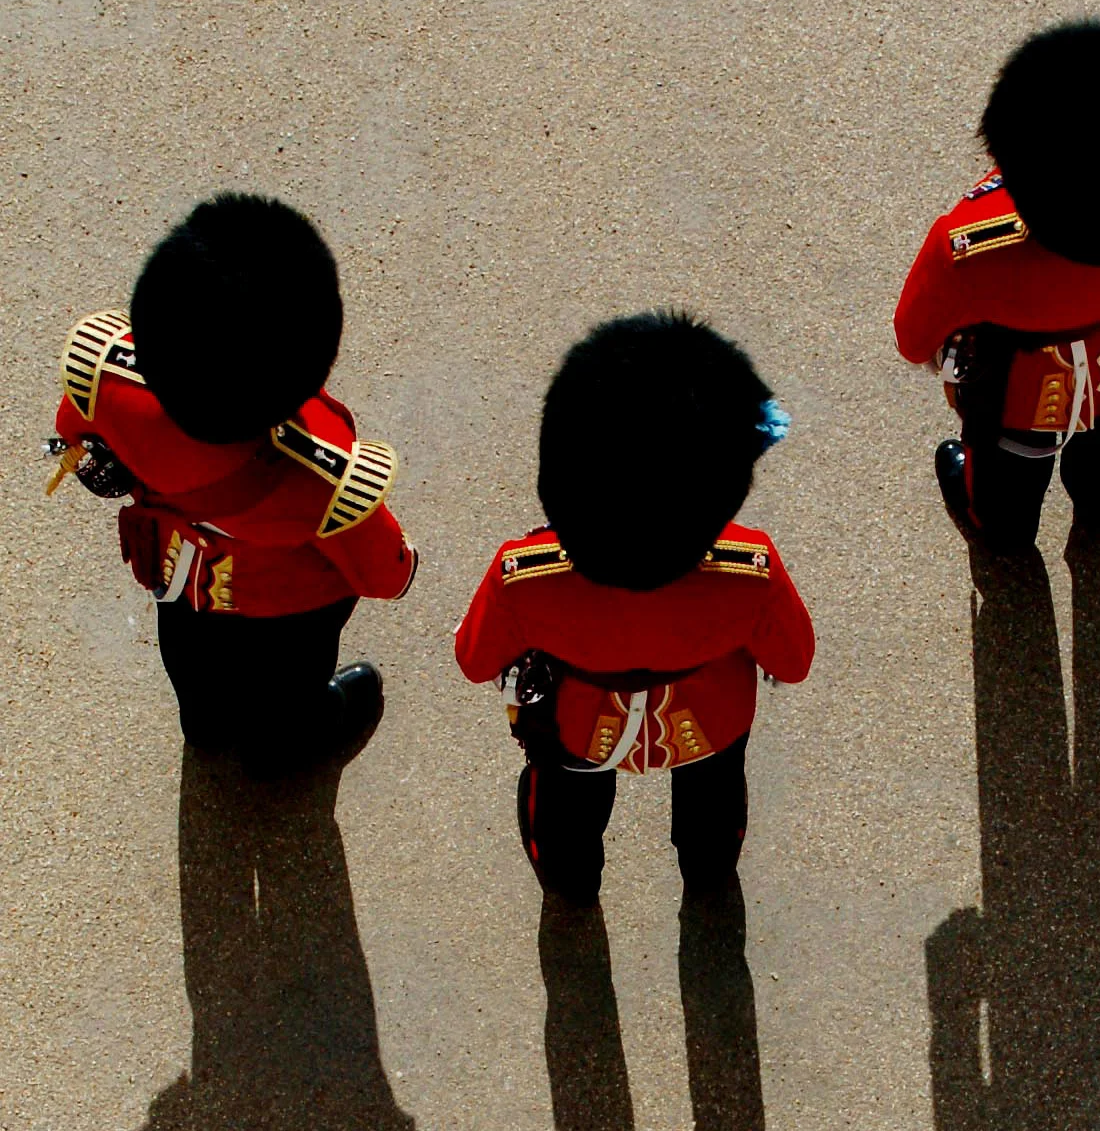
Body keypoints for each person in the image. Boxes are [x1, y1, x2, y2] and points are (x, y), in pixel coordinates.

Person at [453, 312, 814, 905]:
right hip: (711, 722)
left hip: (575, 727)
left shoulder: (523, 576)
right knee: (714, 803)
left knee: (565, 815)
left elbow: (474, 661)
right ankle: (708, 871)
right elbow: (793, 662)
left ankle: (570, 882)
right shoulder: (751, 570)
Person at [49, 194, 417, 773]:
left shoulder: (111, 381)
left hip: (178, 576)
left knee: (189, 661)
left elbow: (73, 429)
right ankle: (279, 753)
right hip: (289, 612)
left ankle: (206, 727)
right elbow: (385, 573)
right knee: (290, 692)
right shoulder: (323, 470)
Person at [894, 20, 1100, 552]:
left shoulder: (970, 247)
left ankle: (1004, 532)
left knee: (1005, 500)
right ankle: (1097, 503)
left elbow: (914, 338)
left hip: (1018, 393)